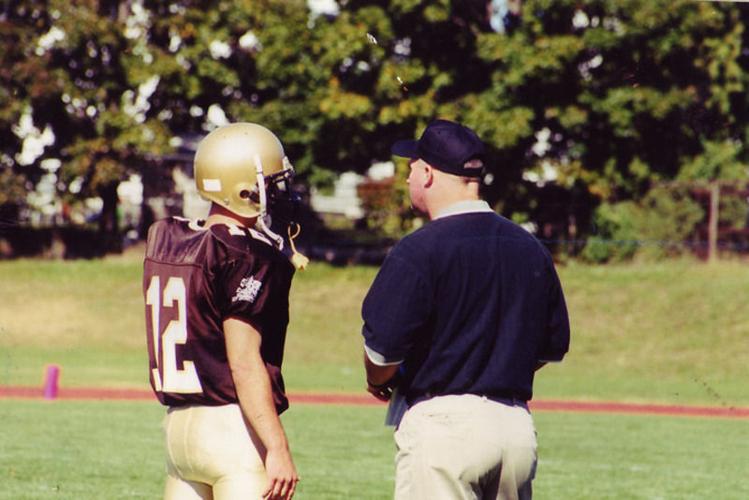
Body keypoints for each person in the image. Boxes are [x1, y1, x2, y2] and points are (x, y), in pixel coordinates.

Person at [361, 119, 570, 500]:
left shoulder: (418, 250)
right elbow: (550, 347)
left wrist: (378, 381)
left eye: (411, 168)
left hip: (445, 429)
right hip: (515, 430)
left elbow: (381, 351)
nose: (408, 178)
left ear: (426, 173)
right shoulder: (530, 247)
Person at [144, 122, 308, 500]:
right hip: (233, 430)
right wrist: (278, 447)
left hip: (179, 432)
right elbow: (244, 362)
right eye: (271, 182)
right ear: (243, 187)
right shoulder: (244, 253)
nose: (279, 191)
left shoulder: (168, 238)